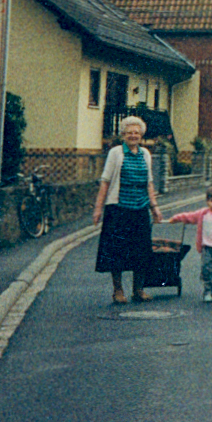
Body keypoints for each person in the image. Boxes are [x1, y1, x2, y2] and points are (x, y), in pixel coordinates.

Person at [92, 116, 163, 303]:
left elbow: (149, 182)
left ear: (141, 135)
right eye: (130, 132)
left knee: (141, 250)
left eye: (137, 133)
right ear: (123, 134)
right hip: (119, 208)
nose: (133, 135)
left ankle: (138, 290)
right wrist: (98, 209)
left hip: (140, 208)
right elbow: (106, 182)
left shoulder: (145, 154)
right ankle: (118, 291)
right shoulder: (116, 153)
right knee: (117, 251)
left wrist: (154, 207)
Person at [169, 187, 212, 303]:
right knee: (206, 270)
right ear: (207, 201)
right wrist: (176, 218)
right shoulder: (203, 214)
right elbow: (189, 216)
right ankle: (207, 291)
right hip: (207, 248)